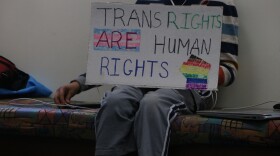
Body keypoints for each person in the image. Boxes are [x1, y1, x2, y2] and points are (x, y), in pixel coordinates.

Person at [54, 0, 238, 155]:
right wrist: (78, 84)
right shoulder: (148, 2)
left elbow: (229, 70)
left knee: (153, 102)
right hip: (143, 79)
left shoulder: (220, 5)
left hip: (191, 87)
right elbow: (120, 58)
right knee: (116, 100)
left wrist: (181, 65)